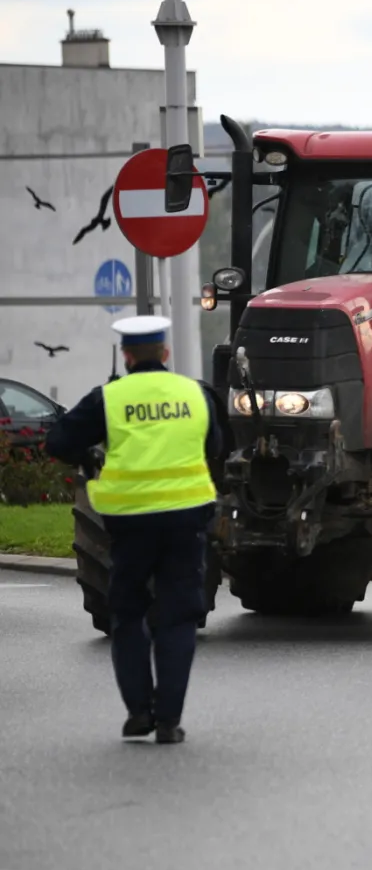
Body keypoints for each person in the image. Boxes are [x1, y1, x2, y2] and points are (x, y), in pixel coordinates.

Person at [44, 316, 221, 745]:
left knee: (128, 613)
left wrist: (90, 455)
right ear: (165, 353)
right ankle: (168, 721)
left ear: (126, 356)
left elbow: (57, 443)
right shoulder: (195, 393)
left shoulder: (109, 397)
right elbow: (216, 448)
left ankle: (139, 711)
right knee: (178, 616)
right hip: (185, 520)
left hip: (130, 524)